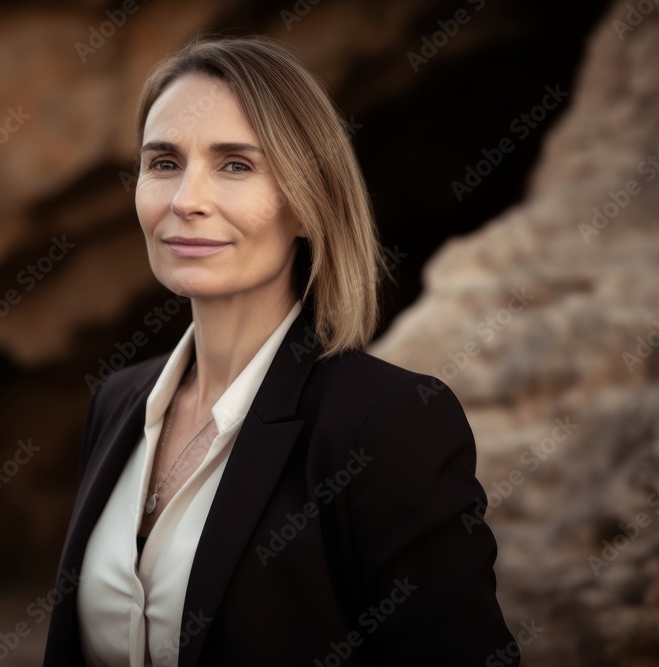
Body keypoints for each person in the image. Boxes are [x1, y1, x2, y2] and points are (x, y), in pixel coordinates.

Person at [43, 35, 516, 666]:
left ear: (306, 205)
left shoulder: (391, 422)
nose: (186, 200)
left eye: (236, 165)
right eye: (163, 163)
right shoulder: (118, 402)